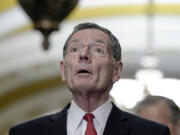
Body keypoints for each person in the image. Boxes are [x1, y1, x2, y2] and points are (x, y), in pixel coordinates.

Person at [9, 22, 170, 135]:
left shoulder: (152, 132)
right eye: (75, 49)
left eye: (98, 50)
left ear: (116, 70)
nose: (84, 55)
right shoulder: (25, 132)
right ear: (63, 70)